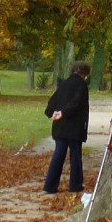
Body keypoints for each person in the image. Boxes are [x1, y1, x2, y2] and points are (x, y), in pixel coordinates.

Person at [43, 61, 91, 195]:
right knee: (75, 156)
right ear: (85, 74)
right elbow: (77, 103)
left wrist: (53, 113)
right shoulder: (81, 85)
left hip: (60, 125)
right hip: (74, 126)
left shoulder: (63, 83)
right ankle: (75, 185)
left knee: (58, 154)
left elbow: (52, 101)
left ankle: (50, 186)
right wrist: (64, 113)